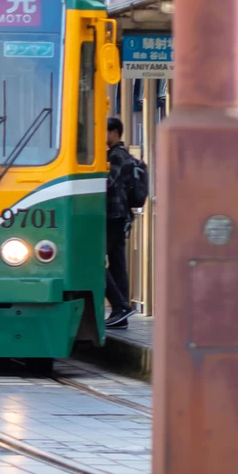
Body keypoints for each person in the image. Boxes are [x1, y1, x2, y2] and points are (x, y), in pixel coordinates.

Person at [102, 117, 148, 327]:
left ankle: (120, 306)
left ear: (113, 132)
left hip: (113, 216)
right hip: (120, 217)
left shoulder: (116, 156)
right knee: (118, 264)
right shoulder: (122, 155)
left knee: (92, 261)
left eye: (104, 132)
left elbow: (107, 183)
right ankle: (121, 315)